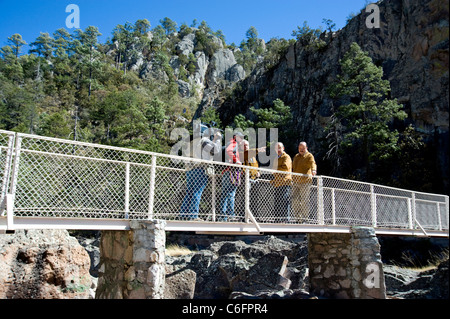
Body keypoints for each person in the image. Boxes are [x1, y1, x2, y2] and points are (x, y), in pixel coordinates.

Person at [179, 130, 222, 220]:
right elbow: (215, 150)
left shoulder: (193, 142)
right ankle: (193, 215)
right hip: (200, 169)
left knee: (189, 193)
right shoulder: (204, 140)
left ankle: (183, 214)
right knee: (197, 192)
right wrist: (218, 139)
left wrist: (213, 140)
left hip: (190, 170)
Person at [219, 132, 244, 221]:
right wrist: (236, 160)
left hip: (227, 170)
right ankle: (230, 215)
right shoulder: (234, 143)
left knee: (225, 193)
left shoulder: (228, 143)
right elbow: (229, 151)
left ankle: (223, 215)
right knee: (230, 193)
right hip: (231, 171)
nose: (241, 139)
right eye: (241, 137)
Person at [291, 141, 317, 223]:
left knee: (304, 201)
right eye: (299, 148)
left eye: (303, 148)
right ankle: (298, 219)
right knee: (295, 200)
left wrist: (313, 170)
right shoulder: (296, 156)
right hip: (295, 181)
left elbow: (313, 163)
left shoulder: (309, 156)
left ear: (306, 148)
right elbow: (292, 167)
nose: (301, 150)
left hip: (305, 182)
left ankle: (305, 219)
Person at [240, 140, 265, 217]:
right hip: (246, 179)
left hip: (254, 180)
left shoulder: (253, 157)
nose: (245, 147)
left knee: (254, 199)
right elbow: (247, 154)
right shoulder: (241, 154)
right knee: (245, 199)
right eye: (244, 145)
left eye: (247, 145)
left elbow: (256, 166)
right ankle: (243, 216)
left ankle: (254, 215)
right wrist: (257, 150)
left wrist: (258, 172)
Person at [270, 142, 292, 223]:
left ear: (283, 148)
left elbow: (285, 169)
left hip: (285, 183)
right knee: (277, 202)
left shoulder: (286, 157)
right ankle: (277, 219)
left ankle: (286, 220)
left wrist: (275, 171)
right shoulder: (276, 158)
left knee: (284, 202)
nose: (278, 149)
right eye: (276, 148)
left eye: (279, 147)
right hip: (277, 183)